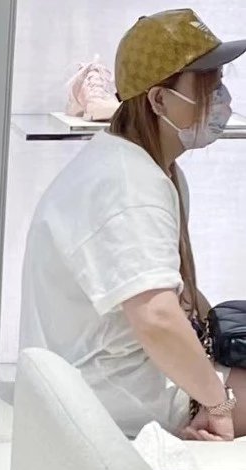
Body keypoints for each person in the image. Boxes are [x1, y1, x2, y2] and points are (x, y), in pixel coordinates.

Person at [21, 9, 246, 441]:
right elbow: (156, 316)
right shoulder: (129, 187)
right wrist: (218, 403)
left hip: (129, 378)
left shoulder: (145, 168)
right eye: (207, 86)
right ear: (159, 100)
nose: (221, 99)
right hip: (117, 401)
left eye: (220, 82)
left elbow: (174, 295)